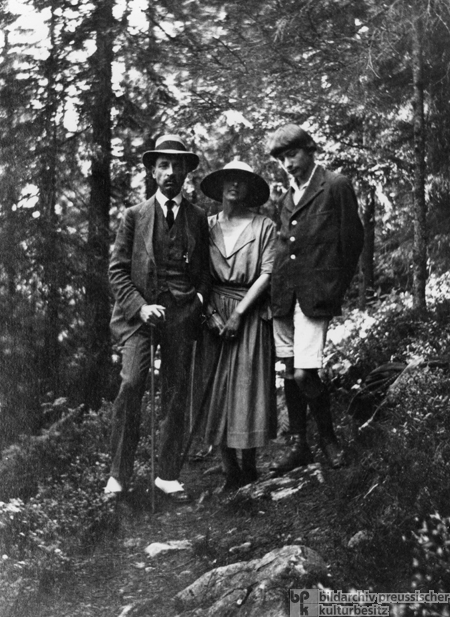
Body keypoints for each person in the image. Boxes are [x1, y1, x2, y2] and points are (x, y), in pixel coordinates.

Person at [105, 134, 211, 503]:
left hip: (182, 315)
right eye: (163, 165)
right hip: (141, 317)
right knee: (132, 383)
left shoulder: (198, 218)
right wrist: (140, 306)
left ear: (186, 172)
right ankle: (118, 476)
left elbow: (205, 271)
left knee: (177, 391)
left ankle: (167, 475)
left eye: (177, 165)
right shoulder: (134, 216)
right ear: (152, 171)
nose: (170, 172)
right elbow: (117, 272)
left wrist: (197, 300)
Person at [266, 124, 364, 472]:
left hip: (314, 295)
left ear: (309, 150)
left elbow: (352, 243)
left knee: (307, 373)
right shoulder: (286, 198)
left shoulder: (335, 185)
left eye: (291, 154)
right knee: (291, 370)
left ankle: (328, 438)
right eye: (281, 159)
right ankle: (299, 444)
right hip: (283, 295)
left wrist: (333, 288)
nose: (287, 164)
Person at [196, 161, 277, 491]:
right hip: (212, 313)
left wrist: (238, 314)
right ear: (219, 187)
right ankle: (229, 469)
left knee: (247, 385)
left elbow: (267, 274)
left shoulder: (264, 226)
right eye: (229, 180)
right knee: (215, 387)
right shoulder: (206, 226)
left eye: (241, 181)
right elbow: (196, 273)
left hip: (250, 312)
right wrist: (208, 313)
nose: (234, 186)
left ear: (250, 189)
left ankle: (249, 466)